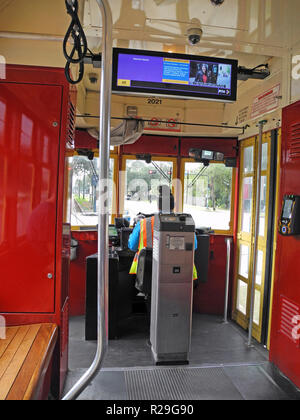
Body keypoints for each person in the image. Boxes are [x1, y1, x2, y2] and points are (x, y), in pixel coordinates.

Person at [128, 185, 198, 281]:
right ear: (173, 206)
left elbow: (132, 246)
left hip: (148, 275)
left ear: (158, 206)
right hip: (179, 276)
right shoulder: (186, 223)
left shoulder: (143, 223)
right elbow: (194, 247)